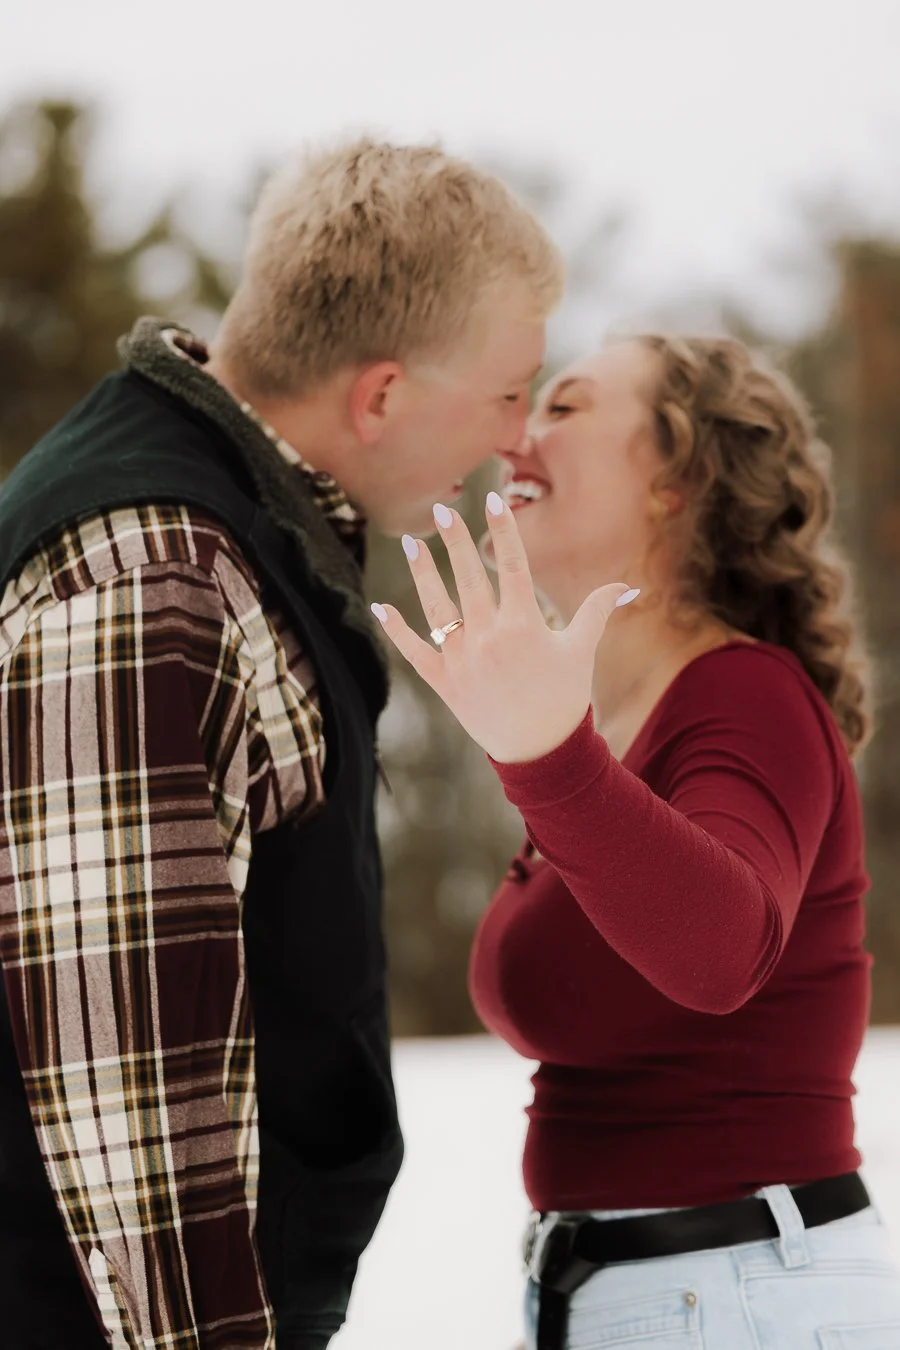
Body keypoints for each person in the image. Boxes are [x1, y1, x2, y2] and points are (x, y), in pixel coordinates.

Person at [0, 139, 559, 1350]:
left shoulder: (236, 532)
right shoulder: (154, 571)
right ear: (382, 396)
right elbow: (128, 1074)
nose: (517, 439)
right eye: (511, 392)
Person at [373, 334, 900, 1349]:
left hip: (739, 1294)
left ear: (676, 481)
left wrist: (549, 759)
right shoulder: (613, 735)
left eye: (564, 407)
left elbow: (721, 951)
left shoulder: (747, 695)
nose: (517, 438)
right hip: (660, 1293)